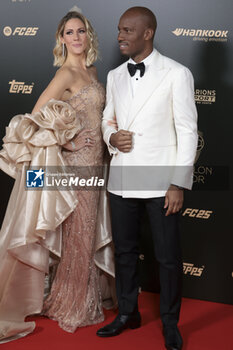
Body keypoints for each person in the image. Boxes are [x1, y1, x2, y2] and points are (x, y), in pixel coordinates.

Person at [0, 9, 114, 343]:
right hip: (75, 164)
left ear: (88, 35)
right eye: (69, 33)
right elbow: (32, 119)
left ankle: (75, 295)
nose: (76, 38)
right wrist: (68, 139)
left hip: (97, 163)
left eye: (81, 31)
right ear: (60, 39)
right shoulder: (65, 74)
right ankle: (72, 304)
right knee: (78, 232)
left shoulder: (92, 70)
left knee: (86, 231)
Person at [97, 6, 198, 350]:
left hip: (161, 180)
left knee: (167, 256)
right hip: (123, 177)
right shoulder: (114, 76)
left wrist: (177, 183)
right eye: (119, 30)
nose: (120, 36)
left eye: (127, 30)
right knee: (124, 251)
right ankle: (127, 313)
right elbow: (106, 119)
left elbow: (187, 131)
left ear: (147, 33)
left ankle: (170, 323)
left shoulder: (176, 73)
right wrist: (111, 137)